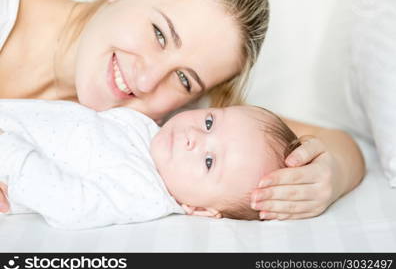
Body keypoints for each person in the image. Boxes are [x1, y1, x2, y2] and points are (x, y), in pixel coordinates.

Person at [0, 0, 364, 221]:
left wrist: (329, 175)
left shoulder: (173, 129)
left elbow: (336, 142)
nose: (146, 80)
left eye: (184, 78)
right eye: (159, 34)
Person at [0, 99, 300, 229]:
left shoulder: (142, 192)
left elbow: (71, 206)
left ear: (200, 210)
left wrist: (9, 154)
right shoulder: (147, 132)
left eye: (209, 161)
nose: (193, 137)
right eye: (209, 122)